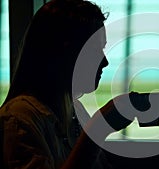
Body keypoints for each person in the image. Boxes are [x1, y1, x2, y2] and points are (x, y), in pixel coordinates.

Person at [0, 0, 141, 168]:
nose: (105, 61)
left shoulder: (74, 111)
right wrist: (98, 128)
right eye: (95, 49)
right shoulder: (18, 122)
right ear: (65, 52)